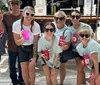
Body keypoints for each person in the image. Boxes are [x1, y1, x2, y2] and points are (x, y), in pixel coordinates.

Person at [13, 6, 41, 85]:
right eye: (27, 14)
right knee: (24, 70)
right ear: (23, 14)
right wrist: (24, 38)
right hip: (22, 47)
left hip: (32, 47)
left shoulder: (36, 26)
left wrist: (35, 57)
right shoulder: (16, 24)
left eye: (32, 15)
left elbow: (36, 42)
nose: (29, 16)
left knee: (31, 69)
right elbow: (17, 42)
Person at [3, 0, 23, 85]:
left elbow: (28, 28)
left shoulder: (24, 15)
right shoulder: (5, 16)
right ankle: (14, 81)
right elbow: (3, 30)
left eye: (17, 3)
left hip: (22, 44)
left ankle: (21, 79)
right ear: (9, 5)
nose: (15, 5)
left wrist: (26, 40)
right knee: (12, 65)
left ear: (20, 5)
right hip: (11, 44)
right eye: (13, 3)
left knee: (21, 64)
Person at [53, 10, 71, 85]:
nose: (58, 20)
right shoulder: (52, 26)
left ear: (65, 19)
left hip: (61, 52)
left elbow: (67, 45)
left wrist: (61, 47)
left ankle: (61, 83)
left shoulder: (67, 31)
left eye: (61, 18)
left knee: (62, 66)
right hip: (51, 50)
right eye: (56, 18)